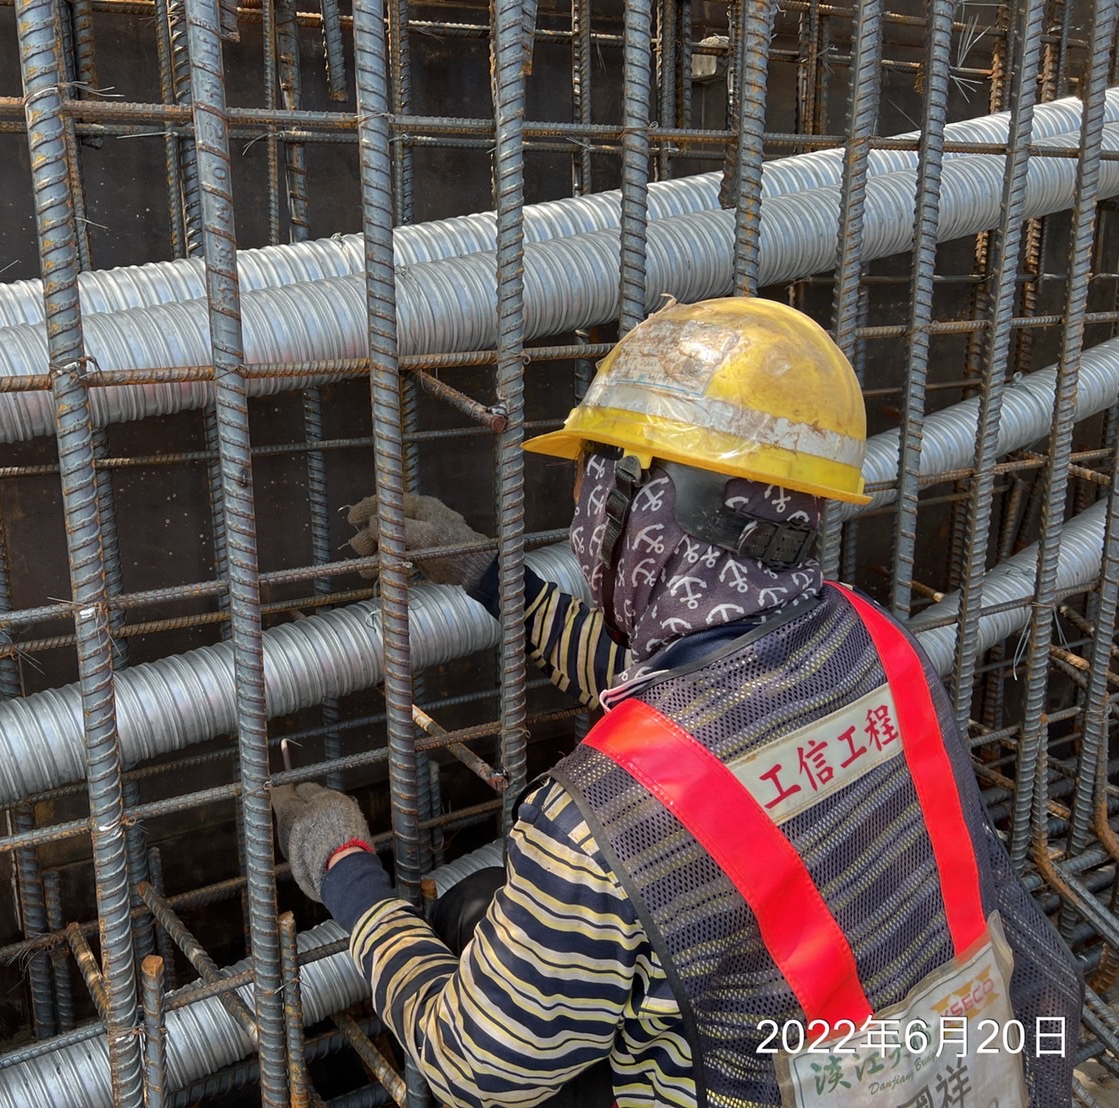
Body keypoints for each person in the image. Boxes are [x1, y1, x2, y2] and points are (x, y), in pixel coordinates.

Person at [271, 297, 1081, 1108]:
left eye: (590, 473)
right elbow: (684, 707)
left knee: (476, 933)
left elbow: (472, 1063)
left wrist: (345, 872)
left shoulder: (599, 826)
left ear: (642, 504)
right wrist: (491, 577)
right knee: (495, 913)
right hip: (978, 1070)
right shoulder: (877, 644)